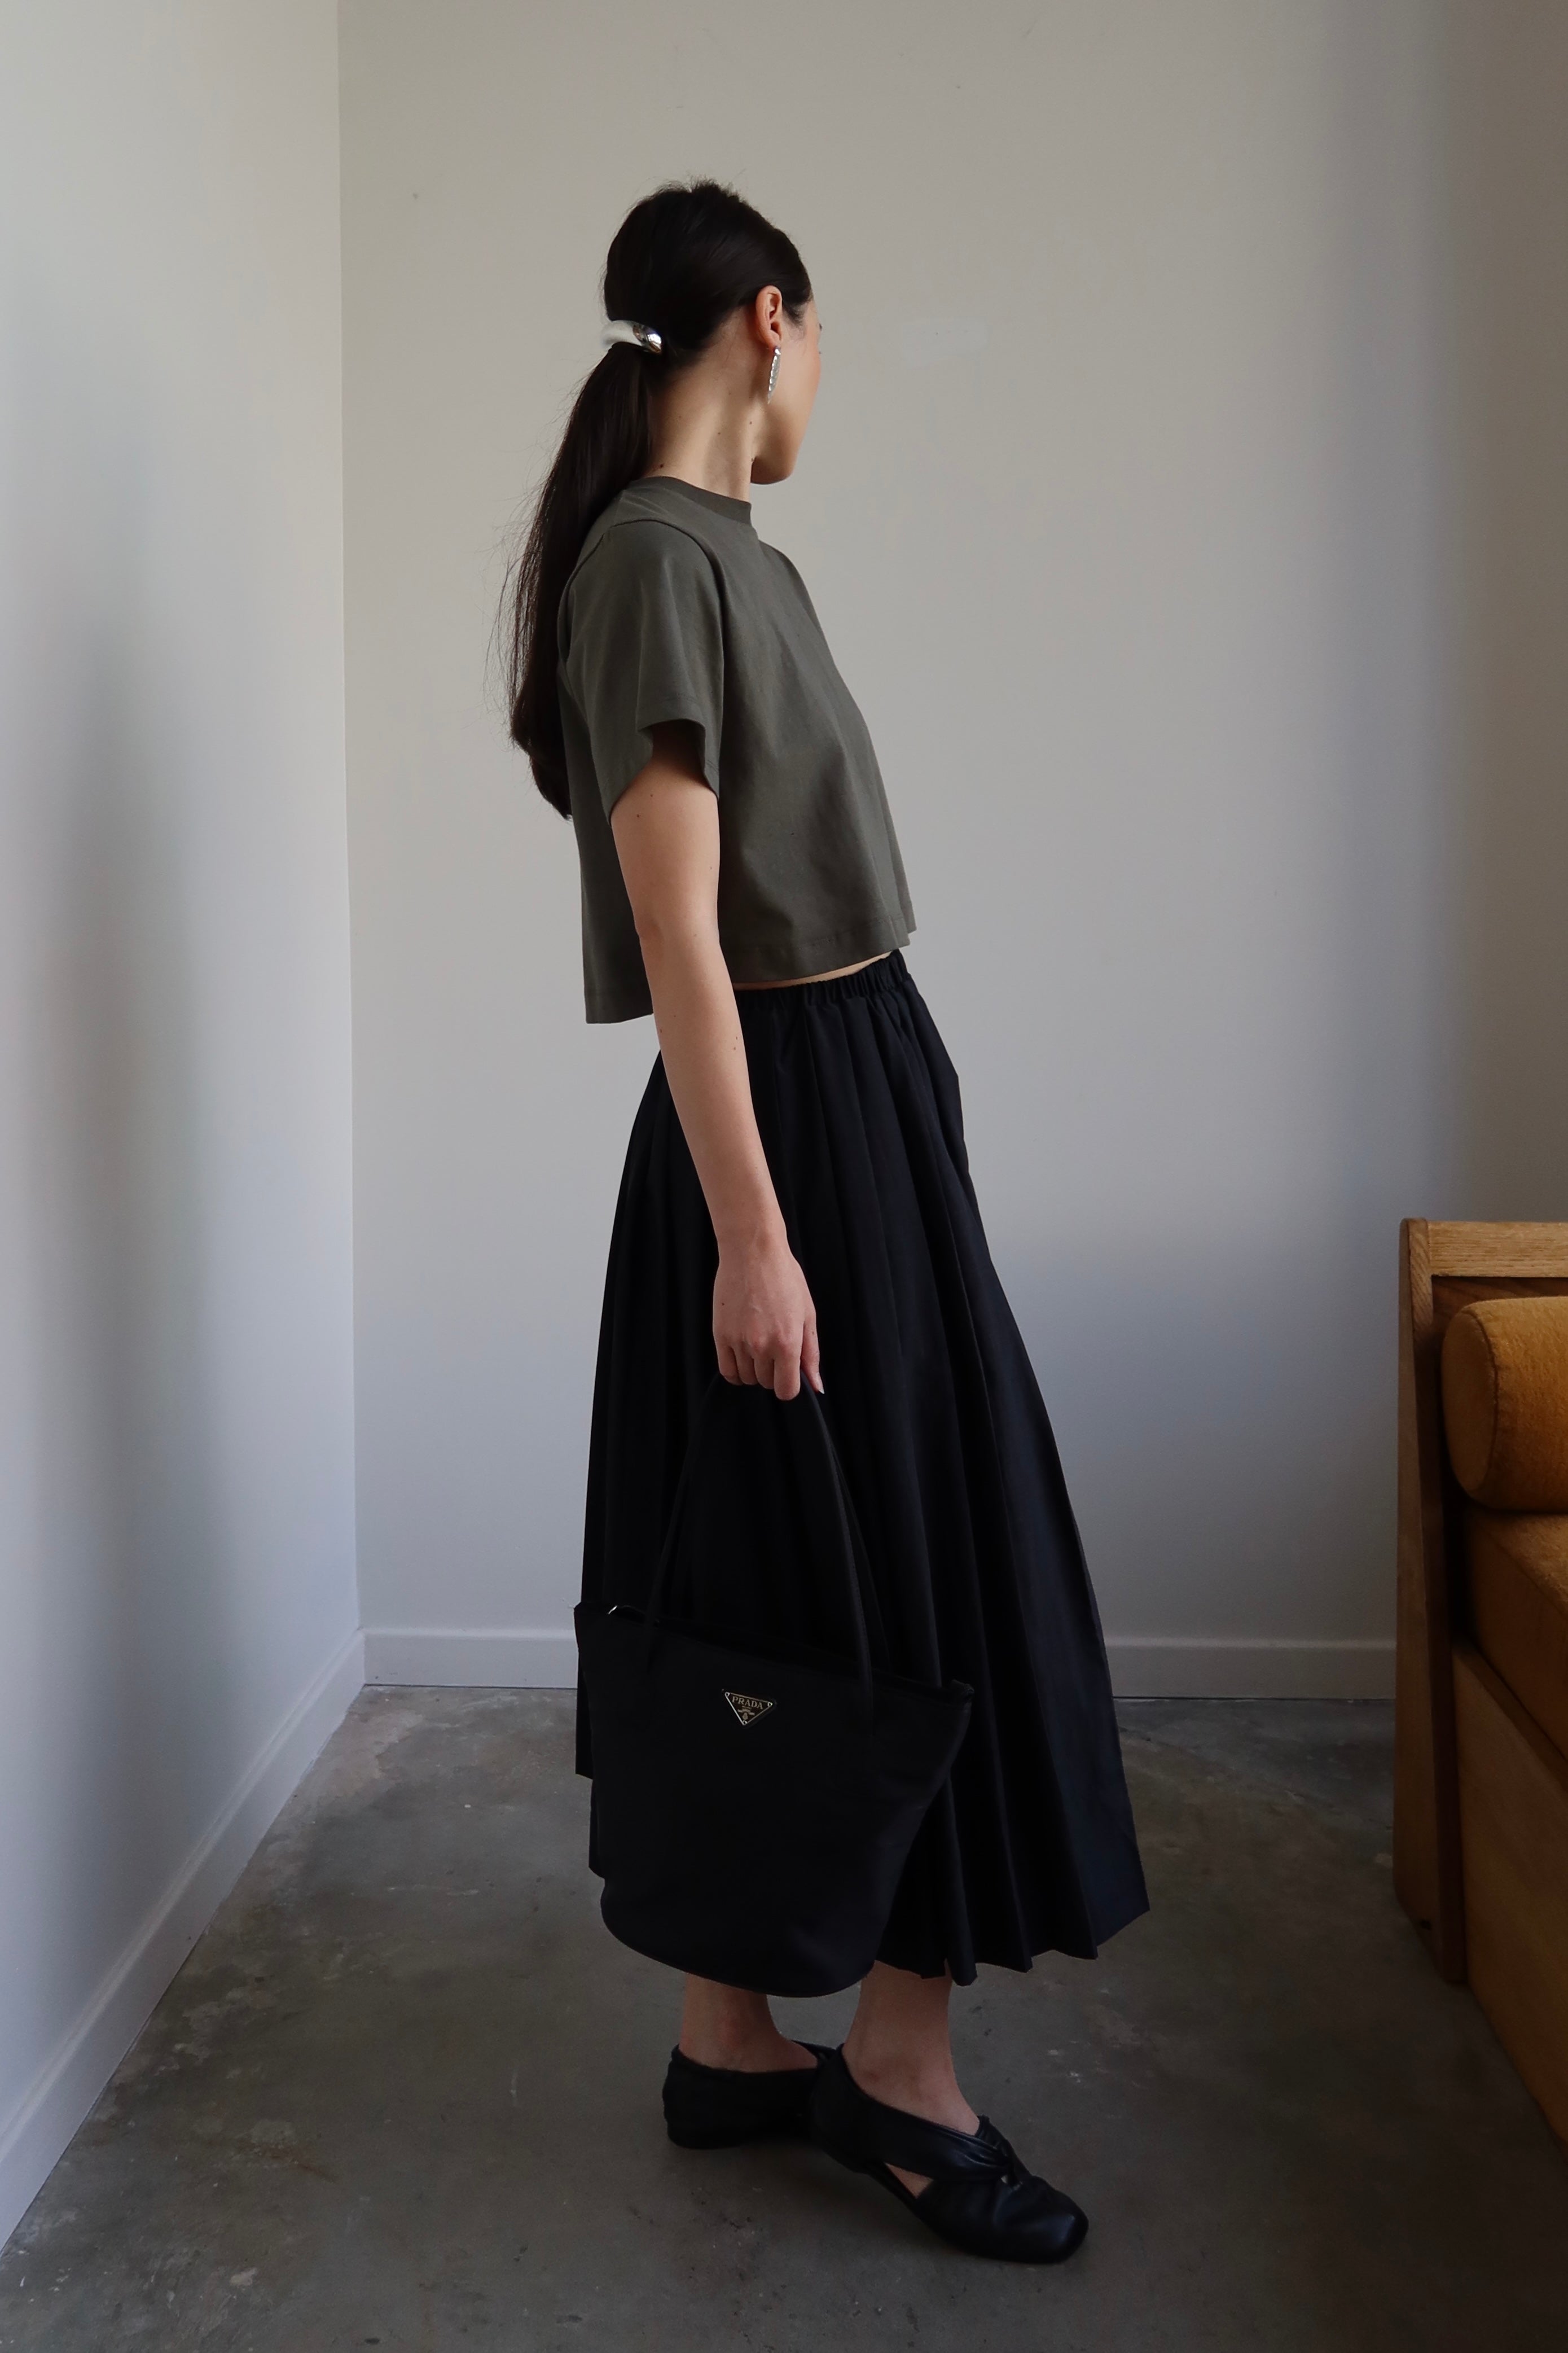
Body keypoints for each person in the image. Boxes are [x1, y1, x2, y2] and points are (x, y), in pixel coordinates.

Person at [502, 180, 1147, 2266]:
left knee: (793, 1571)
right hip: (782, 1129)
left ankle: (733, 2039)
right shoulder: (655, 568)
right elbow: (687, 938)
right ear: (769, 322)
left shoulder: (714, 561)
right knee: (916, 1577)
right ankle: (897, 2070)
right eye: (817, 348)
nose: (815, 388)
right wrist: (756, 1234)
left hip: (836, 1101)